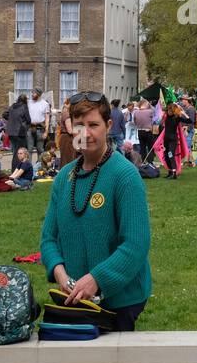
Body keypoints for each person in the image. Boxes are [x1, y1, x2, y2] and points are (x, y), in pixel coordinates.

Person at [40, 91, 153, 331]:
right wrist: (60, 273)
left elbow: (136, 244)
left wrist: (97, 280)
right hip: (75, 299)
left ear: (108, 125)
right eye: (80, 125)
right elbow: (49, 238)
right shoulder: (63, 178)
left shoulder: (125, 176)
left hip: (120, 301)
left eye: (93, 125)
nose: (86, 133)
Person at [161, 101, 187, 178]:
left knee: (170, 155)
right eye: (167, 111)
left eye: (170, 111)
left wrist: (184, 114)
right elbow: (163, 110)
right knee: (166, 156)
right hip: (166, 140)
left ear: (172, 111)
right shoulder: (166, 117)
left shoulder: (176, 118)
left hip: (173, 140)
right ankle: (170, 171)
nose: (168, 112)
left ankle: (174, 172)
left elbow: (189, 121)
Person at [27, 88, 51, 154]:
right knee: (29, 149)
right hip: (30, 128)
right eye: (32, 93)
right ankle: (29, 164)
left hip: (40, 129)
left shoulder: (45, 104)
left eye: (34, 93)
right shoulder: (28, 102)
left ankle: (40, 164)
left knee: (40, 149)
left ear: (38, 94)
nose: (32, 94)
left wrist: (46, 132)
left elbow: (47, 119)